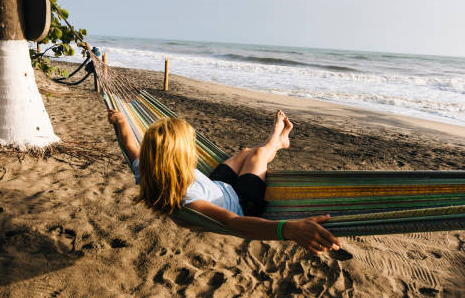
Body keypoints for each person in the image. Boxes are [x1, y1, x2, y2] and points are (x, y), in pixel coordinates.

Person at [108, 109, 341, 254]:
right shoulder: (188, 200)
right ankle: (278, 140)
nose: (195, 151)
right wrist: (288, 228)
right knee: (258, 156)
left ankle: (274, 144)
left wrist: (121, 121)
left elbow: (130, 146)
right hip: (242, 202)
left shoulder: (151, 169)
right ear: (181, 158)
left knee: (246, 152)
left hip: (214, 185)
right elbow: (236, 222)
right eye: (192, 146)